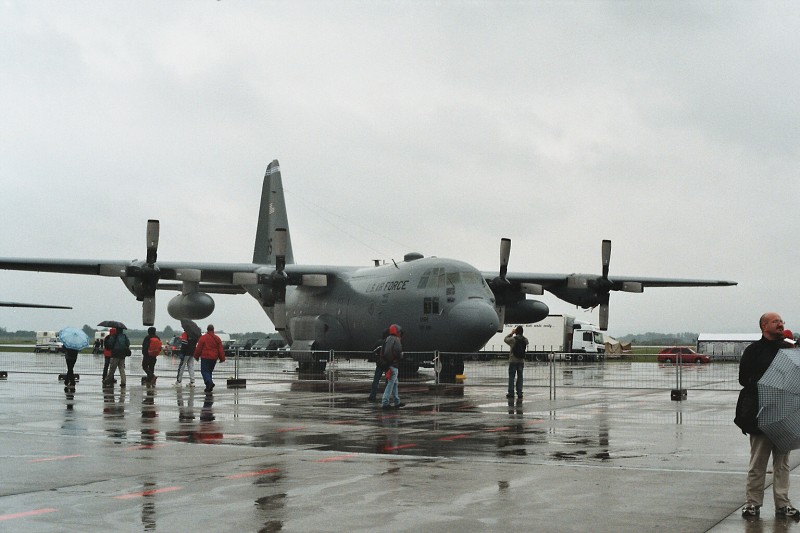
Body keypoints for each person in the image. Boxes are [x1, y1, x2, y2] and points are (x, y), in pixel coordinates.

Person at [738, 312, 799, 518]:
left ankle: (783, 504)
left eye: (782, 321)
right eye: (776, 321)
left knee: (782, 464)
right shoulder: (753, 351)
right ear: (764, 326)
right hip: (760, 414)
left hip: (784, 414)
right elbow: (743, 379)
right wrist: (764, 386)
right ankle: (752, 503)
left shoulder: (788, 349)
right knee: (758, 462)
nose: (781, 324)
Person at [194, 324, 226, 393]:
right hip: (214, 358)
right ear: (213, 330)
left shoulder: (203, 338)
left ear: (207, 329)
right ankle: (208, 387)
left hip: (205, 357)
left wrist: (196, 356)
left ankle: (209, 383)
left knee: (204, 371)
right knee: (209, 372)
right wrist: (222, 358)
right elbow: (220, 349)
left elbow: (199, 348)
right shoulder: (217, 338)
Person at [381, 324, 405, 409]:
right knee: (391, 384)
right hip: (394, 365)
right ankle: (385, 402)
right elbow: (399, 351)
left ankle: (397, 401)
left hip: (388, 364)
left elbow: (383, 351)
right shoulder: (396, 340)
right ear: (397, 332)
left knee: (394, 383)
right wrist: (401, 356)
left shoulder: (387, 339)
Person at [504, 326, 528, 400]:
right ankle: (519, 393)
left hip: (513, 360)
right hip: (521, 360)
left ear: (516, 331)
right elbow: (526, 343)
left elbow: (505, 339)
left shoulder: (513, 340)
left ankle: (511, 393)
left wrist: (512, 333)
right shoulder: (525, 340)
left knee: (511, 377)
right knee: (520, 377)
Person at [368, 329, 390, 402]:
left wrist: (377, 359)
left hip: (380, 364)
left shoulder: (379, 343)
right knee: (388, 382)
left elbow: (372, 351)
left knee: (376, 381)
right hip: (387, 365)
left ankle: (372, 395)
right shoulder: (389, 343)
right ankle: (386, 396)